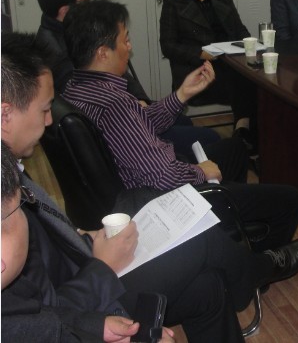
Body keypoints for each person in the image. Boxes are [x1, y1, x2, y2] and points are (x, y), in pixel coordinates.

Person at [1, 33, 298, 342]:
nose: (48, 121)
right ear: (5, 114)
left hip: (82, 269)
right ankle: (259, 268)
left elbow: (45, 254)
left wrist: (82, 237)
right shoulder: (7, 192)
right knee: (198, 239)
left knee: (208, 285)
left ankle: (248, 272)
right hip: (89, 297)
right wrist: (102, 267)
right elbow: (44, 322)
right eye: (44, 110)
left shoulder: (11, 166)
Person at [63, 0, 298, 253]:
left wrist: (182, 94)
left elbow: (142, 124)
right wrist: (201, 172)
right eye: (125, 40)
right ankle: (260, 263)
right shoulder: (114, 104)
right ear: (103, 52)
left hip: (141, 185)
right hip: (163, 199)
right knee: (290, 200)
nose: (130, 46)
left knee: (235, 149)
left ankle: (228, 237)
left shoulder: (77, 88)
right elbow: (163, 176)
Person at [33, 0, 219, 160]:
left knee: (183, 122)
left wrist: (142, 100)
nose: (90, 2)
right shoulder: (58, 55)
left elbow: (120, 77)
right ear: (65, 11)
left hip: (127, 112)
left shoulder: (70, 31)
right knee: (209, 139)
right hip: (119, 130)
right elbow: (104, 109)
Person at [1, 142, 176, 343]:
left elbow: (37, 314)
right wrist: (102, 267)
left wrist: (96, 326)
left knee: (205, 286)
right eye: (21, 204)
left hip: (82, 292)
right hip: (88, 285)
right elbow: (42, 318)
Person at [158, 0, 257, 153]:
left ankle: (246, 134)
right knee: (243, 82)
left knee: (256, 80)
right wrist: (199, 54)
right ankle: (243, 134)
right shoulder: (174, 4)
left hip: (230, 63)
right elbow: (168, 46)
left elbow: (240, 30)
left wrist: (251, 45)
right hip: (199, 70)